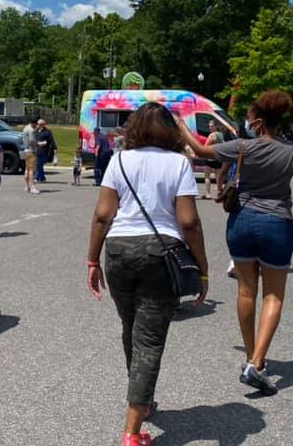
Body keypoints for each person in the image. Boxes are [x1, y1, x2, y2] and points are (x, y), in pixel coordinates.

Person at [180, 90, 293, 396]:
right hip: (277, 224)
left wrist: (180, 124)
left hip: (243, 221)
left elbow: (199, 150)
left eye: (248, 119)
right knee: (273, 295)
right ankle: (257, 362)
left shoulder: (242, 146)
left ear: (258, 122)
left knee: (246, 291)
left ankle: (251, 357)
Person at [86, 102, 209, 446]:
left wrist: (92, 261)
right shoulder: (178, 164)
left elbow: (102, 215)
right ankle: (132, 431)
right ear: (170, 130)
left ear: (134, 128)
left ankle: (142, 399)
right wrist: (203, 267)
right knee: (149, 340)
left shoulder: (120, 159)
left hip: (119, 250)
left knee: (132, 329)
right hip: (160, 253)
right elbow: (189, 222)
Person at [202, 122, 225, 200]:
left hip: (210, 158)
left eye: (211, 126)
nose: (210, 128)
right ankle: (219, 193)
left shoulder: (212, 135)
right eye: (209, 126)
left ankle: (208, 194)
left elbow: (205, 146)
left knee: (207, 176)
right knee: (218, 177)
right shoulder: (221, 135)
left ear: (215, 126)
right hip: (218, 158)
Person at [35, 119, 56, 183]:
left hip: (44, 151)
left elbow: (52, 141)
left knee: (39, 164)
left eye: (43, 124)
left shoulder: (47, 132)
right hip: (36, 150)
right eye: (39, 124)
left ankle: (37, 177)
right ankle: (42, 178)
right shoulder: (35, 131)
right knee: (39, 165)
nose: (41, 126)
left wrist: (54, 149)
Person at [22, 118, 39, 194]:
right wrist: (39, 144)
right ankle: (32, 187)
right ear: (34, 123)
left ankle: (27, 186)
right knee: (32, 170)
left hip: (26, 150)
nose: (37, 125)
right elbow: (32, 141)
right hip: (31, 151)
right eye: (36, 124)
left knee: (27, 169)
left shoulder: (25, 128)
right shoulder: (31, 130)